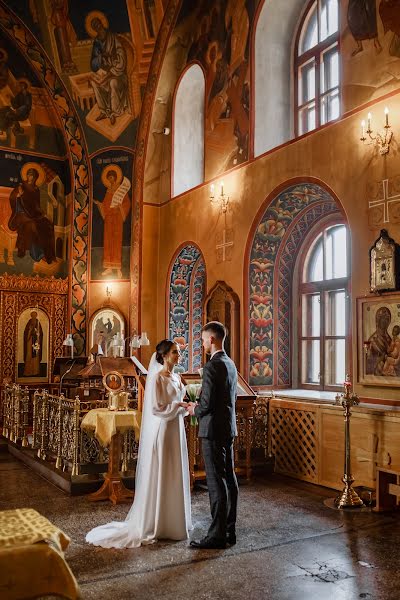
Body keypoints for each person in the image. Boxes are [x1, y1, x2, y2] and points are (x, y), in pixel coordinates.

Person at [86, 339, 192, 548]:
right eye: (174, 352)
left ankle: (175, 522)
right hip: (164, 430)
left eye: (178, 352)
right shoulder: (158, 379)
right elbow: (155, 409)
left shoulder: (178, 378)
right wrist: (179, 407)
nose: (178, 356)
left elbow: (178, 402)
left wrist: (187, 407)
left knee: (175, 471)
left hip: (177, 429)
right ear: (163, 356)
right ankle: (158, 522)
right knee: (164, 472)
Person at [187, 321, 238, 549]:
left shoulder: (211, 367)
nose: (203, 343)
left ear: (213, 339)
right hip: (227, 428)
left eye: (205, 339)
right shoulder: (230, 364)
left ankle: (216, 536)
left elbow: (205, 404)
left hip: (212, 431)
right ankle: (229, 531)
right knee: (229, 478)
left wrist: (192, 409)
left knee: (215, 482)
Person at [8, 167, 56, 263]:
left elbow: (36, 205)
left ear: (35, 177)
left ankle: (47, 254)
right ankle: (35, 253)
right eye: (29, 175)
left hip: (33, 213)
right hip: (21, 213)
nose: (30, 177)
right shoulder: (21, 186)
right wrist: (18, 196)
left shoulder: (36, 189)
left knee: (47, 224)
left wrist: (43, 214)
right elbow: (12, 197)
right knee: (33, 225)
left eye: (32, 175)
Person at [89, 16, 128, 126]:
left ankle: (114, 113)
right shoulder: (96, 42)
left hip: (118, 75)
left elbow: (121, 57)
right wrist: (100, 57)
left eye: (98, 24)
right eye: (94, 27)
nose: (98, 27)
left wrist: (111, 71)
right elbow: (93, 65)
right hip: (105, 74)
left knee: (113, 82)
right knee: (94, 83)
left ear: (102, 24)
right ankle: (104, 111)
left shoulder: (113, 38)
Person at [94, 169, 130, 278]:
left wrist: (120, 207)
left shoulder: (121, 190)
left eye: (112, 178)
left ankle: (118, 269)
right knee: (108, 241)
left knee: (116, 241)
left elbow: (127, 203)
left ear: (115, 177)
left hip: (118, 217)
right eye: (108, 178)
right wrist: (99, 204)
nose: (110, 180)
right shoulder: (108, 190)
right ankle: (109, 267)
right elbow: (105, 204)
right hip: (109, 219)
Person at [366, 306, 392, 375]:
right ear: (378, 320)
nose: (385, 321)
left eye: (387, 319)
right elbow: (368, 361)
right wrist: (380, 358)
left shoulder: (389, 339)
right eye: (383, 318)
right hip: (377, 373)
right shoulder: (373, 339)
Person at [23, 311, 43, 377]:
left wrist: (37, 333)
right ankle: (28, 372)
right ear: (31, 316)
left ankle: (35, 371)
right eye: (32, 315)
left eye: (35, 315)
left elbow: (40, 333)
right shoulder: (29, 322)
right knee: (29, 354)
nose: (34, 317)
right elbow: (26, 333)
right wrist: (30, 331)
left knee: (36, 355)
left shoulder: (38, 322)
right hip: (29, 341)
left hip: (36, 342)